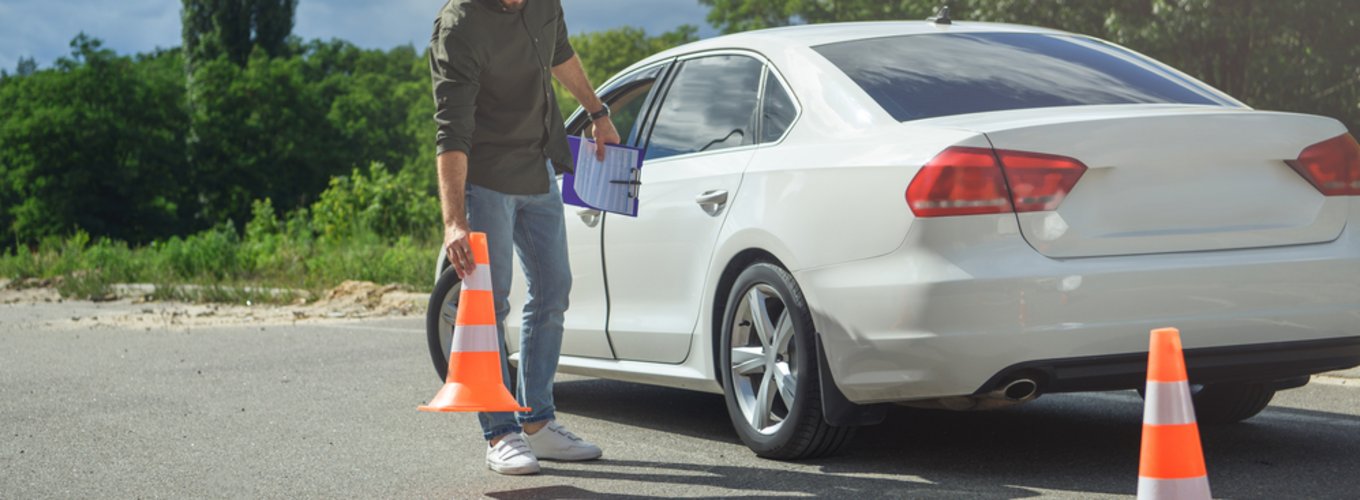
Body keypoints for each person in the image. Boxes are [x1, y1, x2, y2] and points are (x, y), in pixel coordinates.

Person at [429, 0, 620, 475]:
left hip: (538, 169)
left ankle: (538, 423)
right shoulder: (460, 25)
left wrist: (597, 111)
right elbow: (450, 130)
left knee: (553, 289)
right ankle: (500, 433)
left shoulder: (543, 4)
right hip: (485, 178)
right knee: (488, 304)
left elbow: (561, 55)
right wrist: (454, 220)